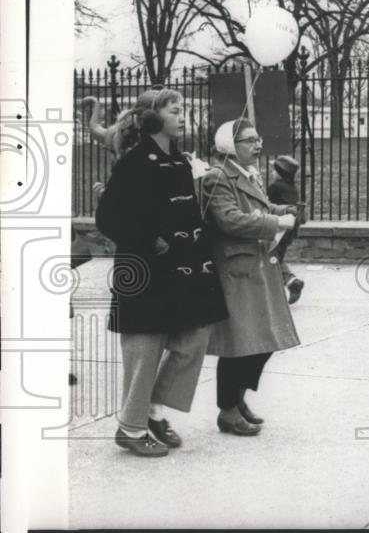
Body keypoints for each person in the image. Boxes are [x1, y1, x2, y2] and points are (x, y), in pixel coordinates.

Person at [95, 88, 229, 457]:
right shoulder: (135, 161)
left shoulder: (181, 162)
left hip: (186, 271)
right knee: (145, 351)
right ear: (154, 118)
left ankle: (152, 410)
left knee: (194, 339)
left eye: (183, 109)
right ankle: (132, 429)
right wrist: (149, 240)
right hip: (145, 271)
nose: (183, 116)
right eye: (176, 110)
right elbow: (108, 218)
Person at [200, 119, 301, 436]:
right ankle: (227, 411)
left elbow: (260, 206)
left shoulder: (249, 175)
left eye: (258, 139)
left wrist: (286, 209)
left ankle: (237, 398)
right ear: (230, 146)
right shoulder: (217, 178)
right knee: (241, 344)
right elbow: (229, 219)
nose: (258, 145)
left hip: (258, 265)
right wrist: (276, 222)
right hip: (237, 269)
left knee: (264, 341)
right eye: (249, 140)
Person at [267, 155, 306, 305]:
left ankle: (289, 283)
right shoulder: (292, 188)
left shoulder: (275, 188)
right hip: (291, 229)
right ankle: (291, 280)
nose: (271, 173)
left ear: (280, 173)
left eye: (273, 171)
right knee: (277, 255)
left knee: (271, 256)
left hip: (279, 227)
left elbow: (267, 205)